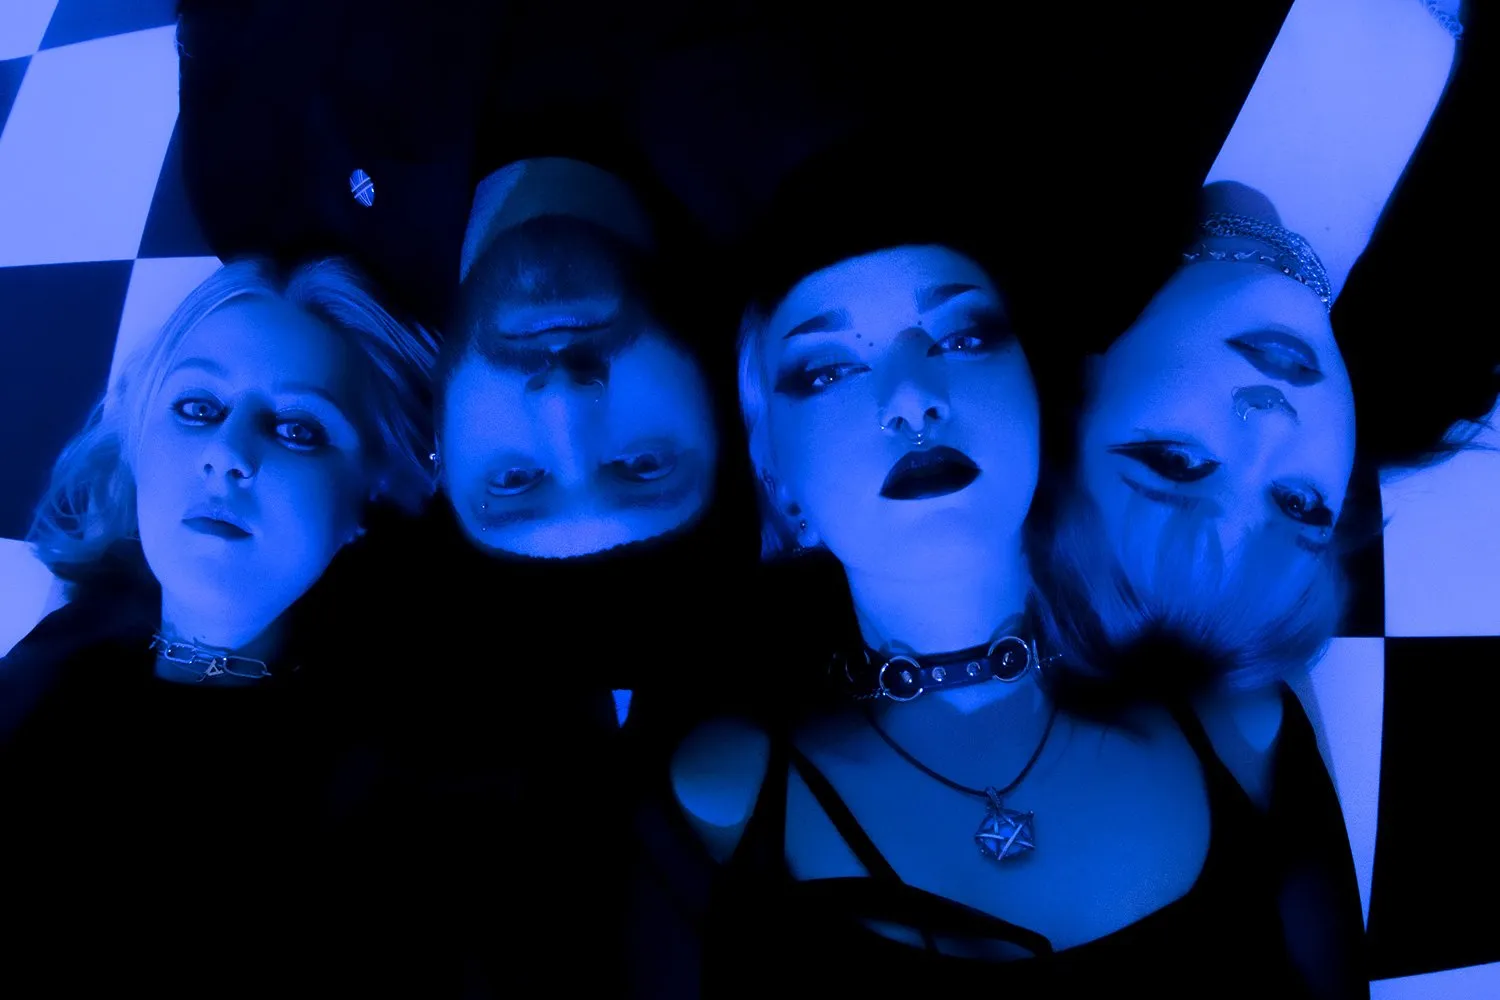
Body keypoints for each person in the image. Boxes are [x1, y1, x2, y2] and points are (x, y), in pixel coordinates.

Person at [667, 125, 1366, 995]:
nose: (912, 398)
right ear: (778, 480)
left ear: (1040, 396)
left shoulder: (1241, 729)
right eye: (825, 371)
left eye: (964, 336)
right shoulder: (724, 792)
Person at [0, 258, 443, 996]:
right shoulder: (61, 647)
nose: (228, 454)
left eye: (297, 428)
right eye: (199, 408)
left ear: (368, 495)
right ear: (140, 445)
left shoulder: (411, 794)